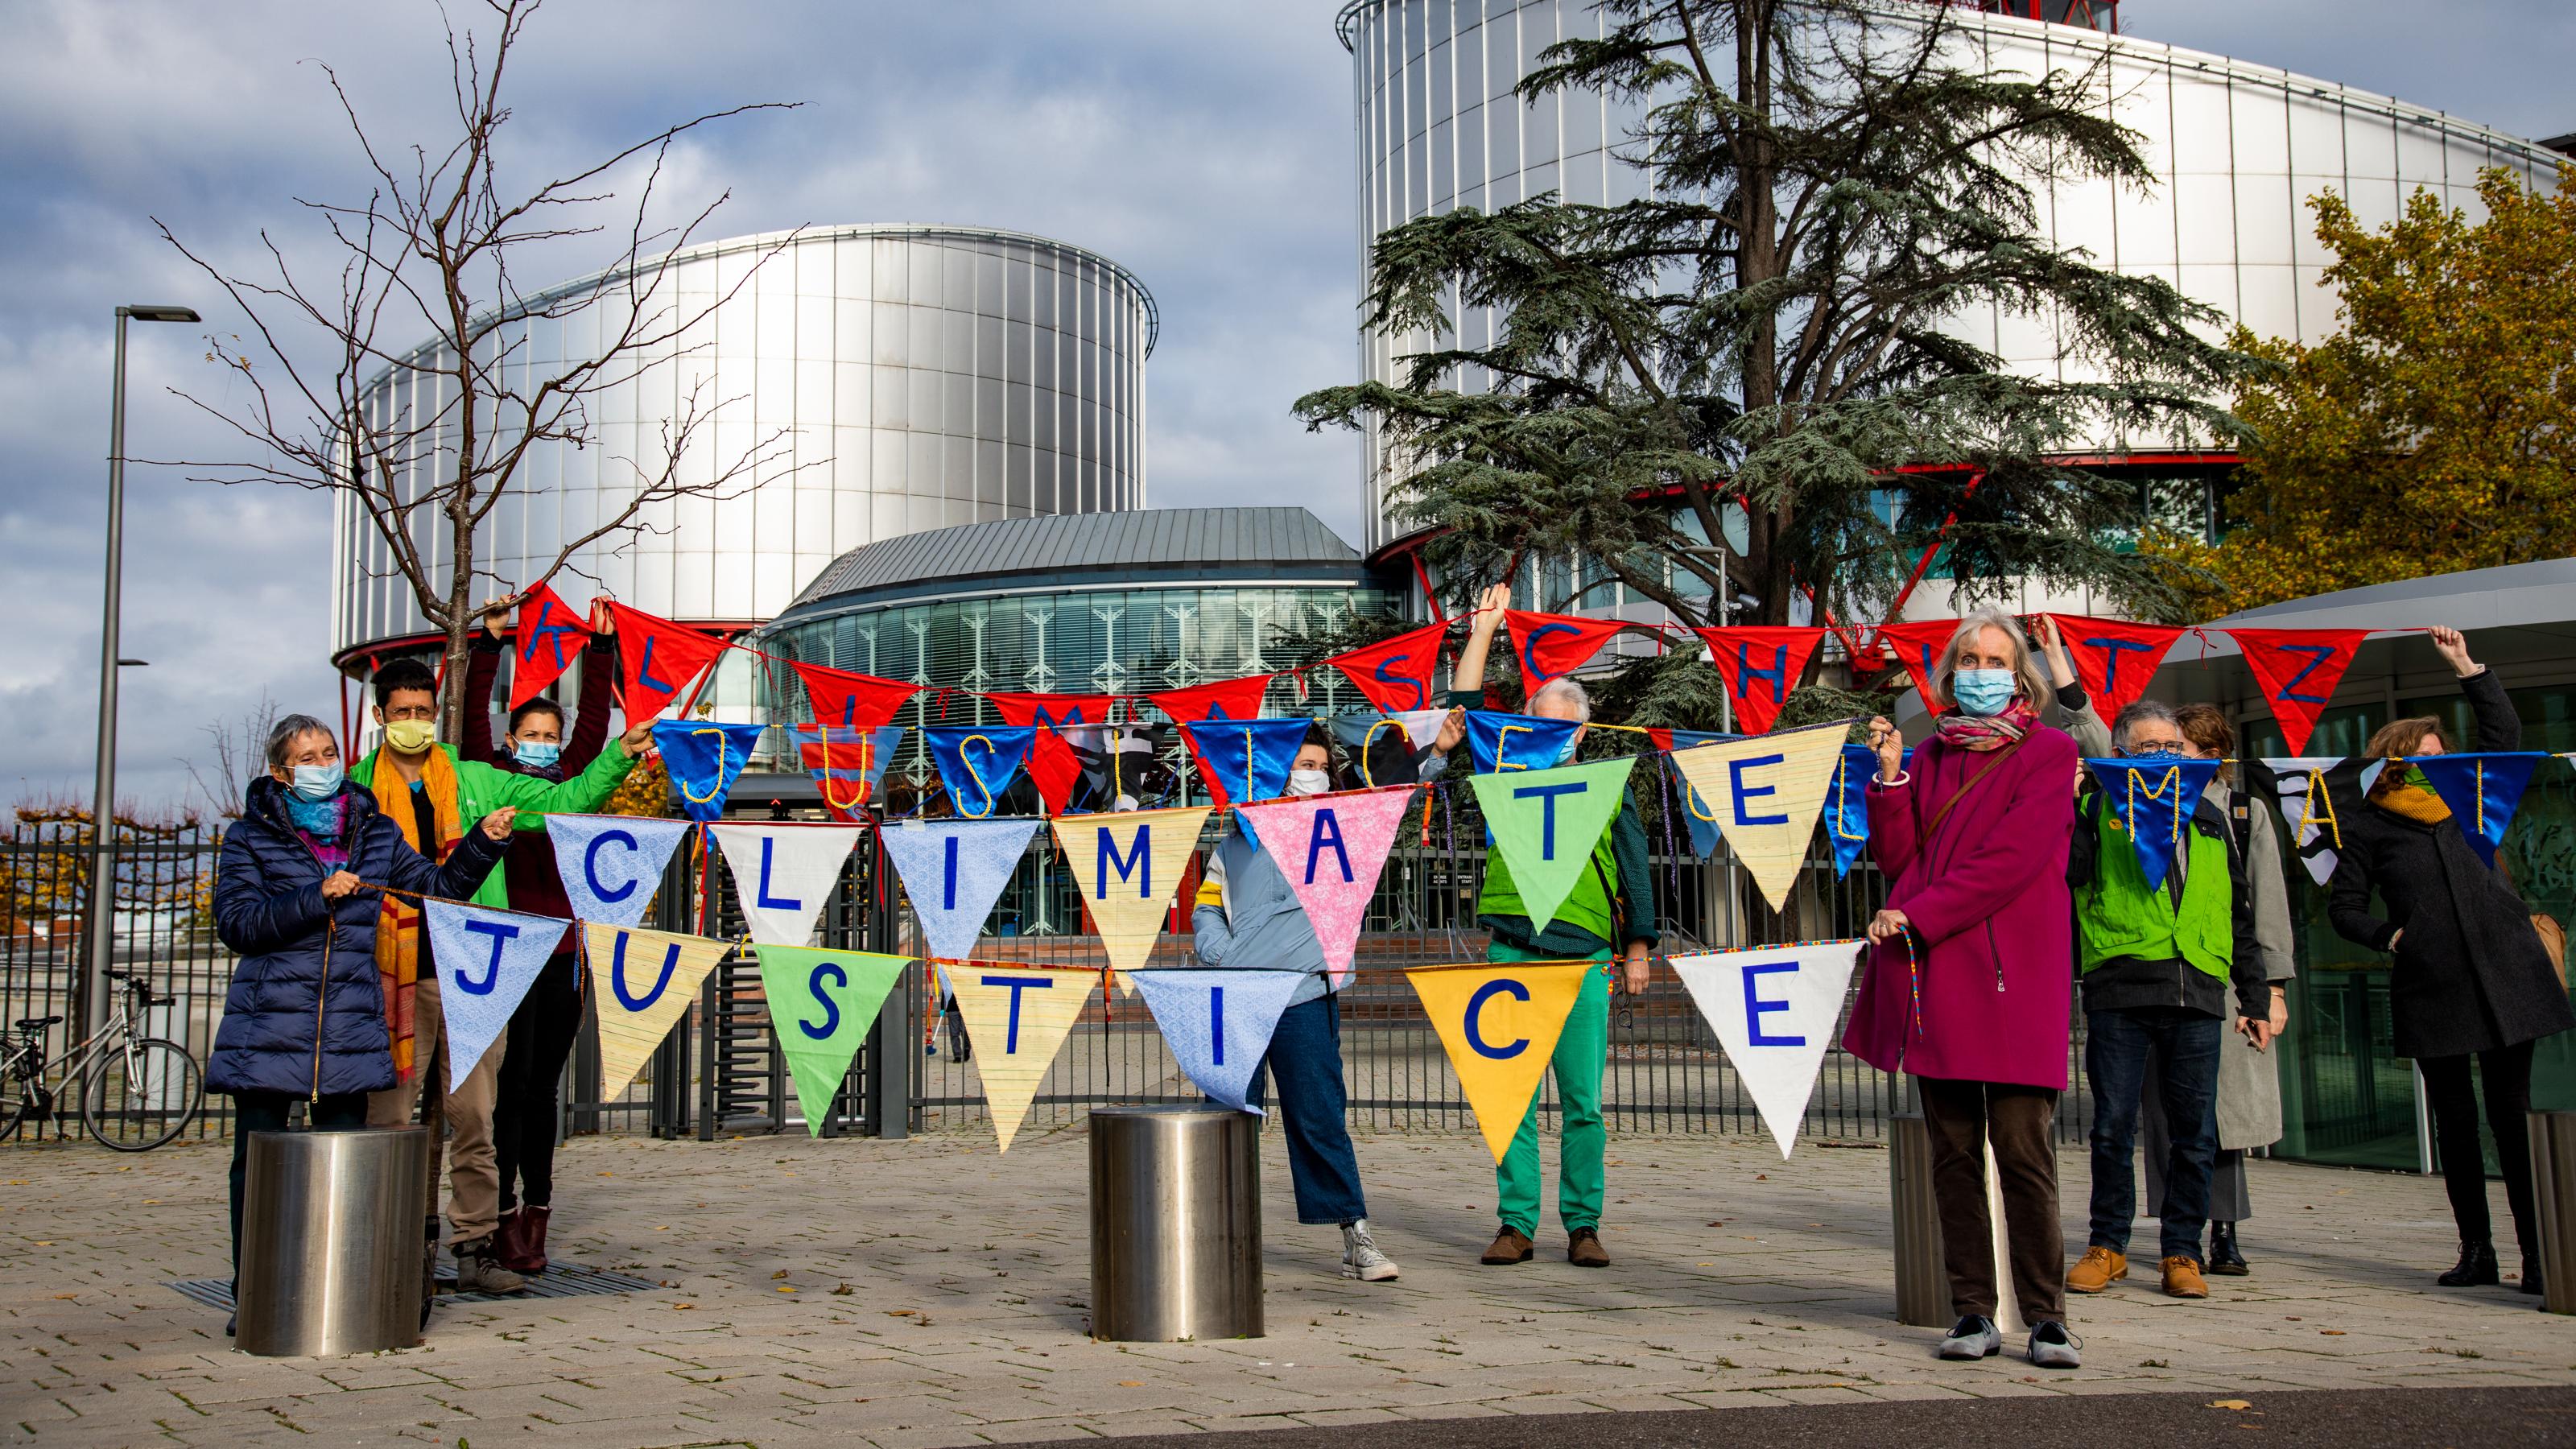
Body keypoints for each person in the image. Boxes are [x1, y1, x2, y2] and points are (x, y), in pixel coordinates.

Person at [208, 714, 514, 1333]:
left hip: (348, 1022)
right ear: (280, 773)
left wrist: (483, 842)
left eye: (328, 752)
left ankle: (336, 1292)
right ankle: (255, 1295)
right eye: (307, 757)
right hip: (269, 1024)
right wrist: (315, 896)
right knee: (258, 1165)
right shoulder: (250, 838)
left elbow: (438, 886)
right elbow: (237, 924)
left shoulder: (375, 831)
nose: (322, 764)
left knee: (343, 1161)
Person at [355, 654, 651, 1294]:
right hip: (390, 974)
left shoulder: (478, 780)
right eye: (402, 713)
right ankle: (389, 1250)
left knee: (476, 1120)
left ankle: (475, 1247)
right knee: (389, 1121)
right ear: (380, 717)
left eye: (424, 712)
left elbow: (568, 798)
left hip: (470, 974)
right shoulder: (354, 790)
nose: (415, 723)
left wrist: (619, 753)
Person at [1845, 605, 2082, 1369]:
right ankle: (1972, 1311)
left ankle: (2047, 1317)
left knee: (2022, 1151)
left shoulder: (2047, 755)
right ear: (1951, 674)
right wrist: (1888, 783)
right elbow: (1900, 858)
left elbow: (2013, 862)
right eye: (1970, 661)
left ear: (2022, 675)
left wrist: (1915, 913)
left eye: (1995, 660)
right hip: (1938, 972)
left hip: (2012, 979)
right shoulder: (1931, 754)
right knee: (1952, 1156)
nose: (1982, 672)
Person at [2328, 625, 2575, 1295]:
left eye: (2442, 752)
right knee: (2458, 1127)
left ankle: (2540, 1256)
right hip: (2433, 985)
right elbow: (2344, 908)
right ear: (2394, 764)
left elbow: (2505, 733)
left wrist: (2468, 667)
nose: (2437, 761)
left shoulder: (2472, 799)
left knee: (2513, 1118)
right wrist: (2392, 937)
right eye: (2423, 755)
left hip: (2507, 976)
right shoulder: (2369, 824)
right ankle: (2478, 1252)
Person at [1427, 582, 1656, 1270]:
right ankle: (1516, 1223)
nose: (1551, 736)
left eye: (1563, 727)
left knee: (1583, 1102)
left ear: (1582, 732)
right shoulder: (1506, 769)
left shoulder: (1612, 781)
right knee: (1511, 1099)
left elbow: (1637, 871)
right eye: (1540, 725)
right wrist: (1486, 626)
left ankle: (1583, 1225)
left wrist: (1637, 950)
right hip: (1512, 949)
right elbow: (1464, 708)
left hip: (1584, 959)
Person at [2062, 698, 2273, 1302]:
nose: (2161, 758)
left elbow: (2238, 910)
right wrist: (2069, 806)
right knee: (2111, 1126)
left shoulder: (2211, 817)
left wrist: (2255, 994)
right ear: (2122, 754)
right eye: (2147, 748)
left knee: (2195, 1132)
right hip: (2121, 985)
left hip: (2200, 987)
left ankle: (2183, 1249)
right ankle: (2108, 1245)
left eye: (2171, 748)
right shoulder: (2097, 808)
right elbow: (2068, 877)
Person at [1191, 724, 1400, 1283]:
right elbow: (1206, 908)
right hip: (1236, 996)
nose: (1307, 772)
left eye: (1317, 764)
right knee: (1226, 1117)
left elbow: (1403, 787)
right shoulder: (1237, 838)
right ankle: (1211, 1236)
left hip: (1305, 993)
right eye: (1297, 763)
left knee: (1319, 1116)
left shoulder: (1342, 832)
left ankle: (1355, 1234)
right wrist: (1220, 952)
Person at [460, 601, 619, 1276]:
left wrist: (601, 649)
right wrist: (488, 647)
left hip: (561, 955)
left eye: (549, 735)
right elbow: (469, 726)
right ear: (510, 738)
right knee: (507, 1086)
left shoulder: (573, 788)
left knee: (541, 1091)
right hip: (502, 952)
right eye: (530, 732)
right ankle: (495, 1217)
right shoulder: (490, 783)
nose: (543, 743)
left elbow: (594, 728)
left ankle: (537, 1214)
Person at [2140, 704, 2295, 1277]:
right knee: (2164, 1110)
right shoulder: (2144, 806)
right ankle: (2177, 1229)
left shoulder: (2244, 812)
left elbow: (2267, 905)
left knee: (2218, 1112)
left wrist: (2271, 990)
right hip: (2156, 975)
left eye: (2180, 749)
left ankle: (2223, 1229)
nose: (2169, 759)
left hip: (2226, 978)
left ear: (2212, 756)